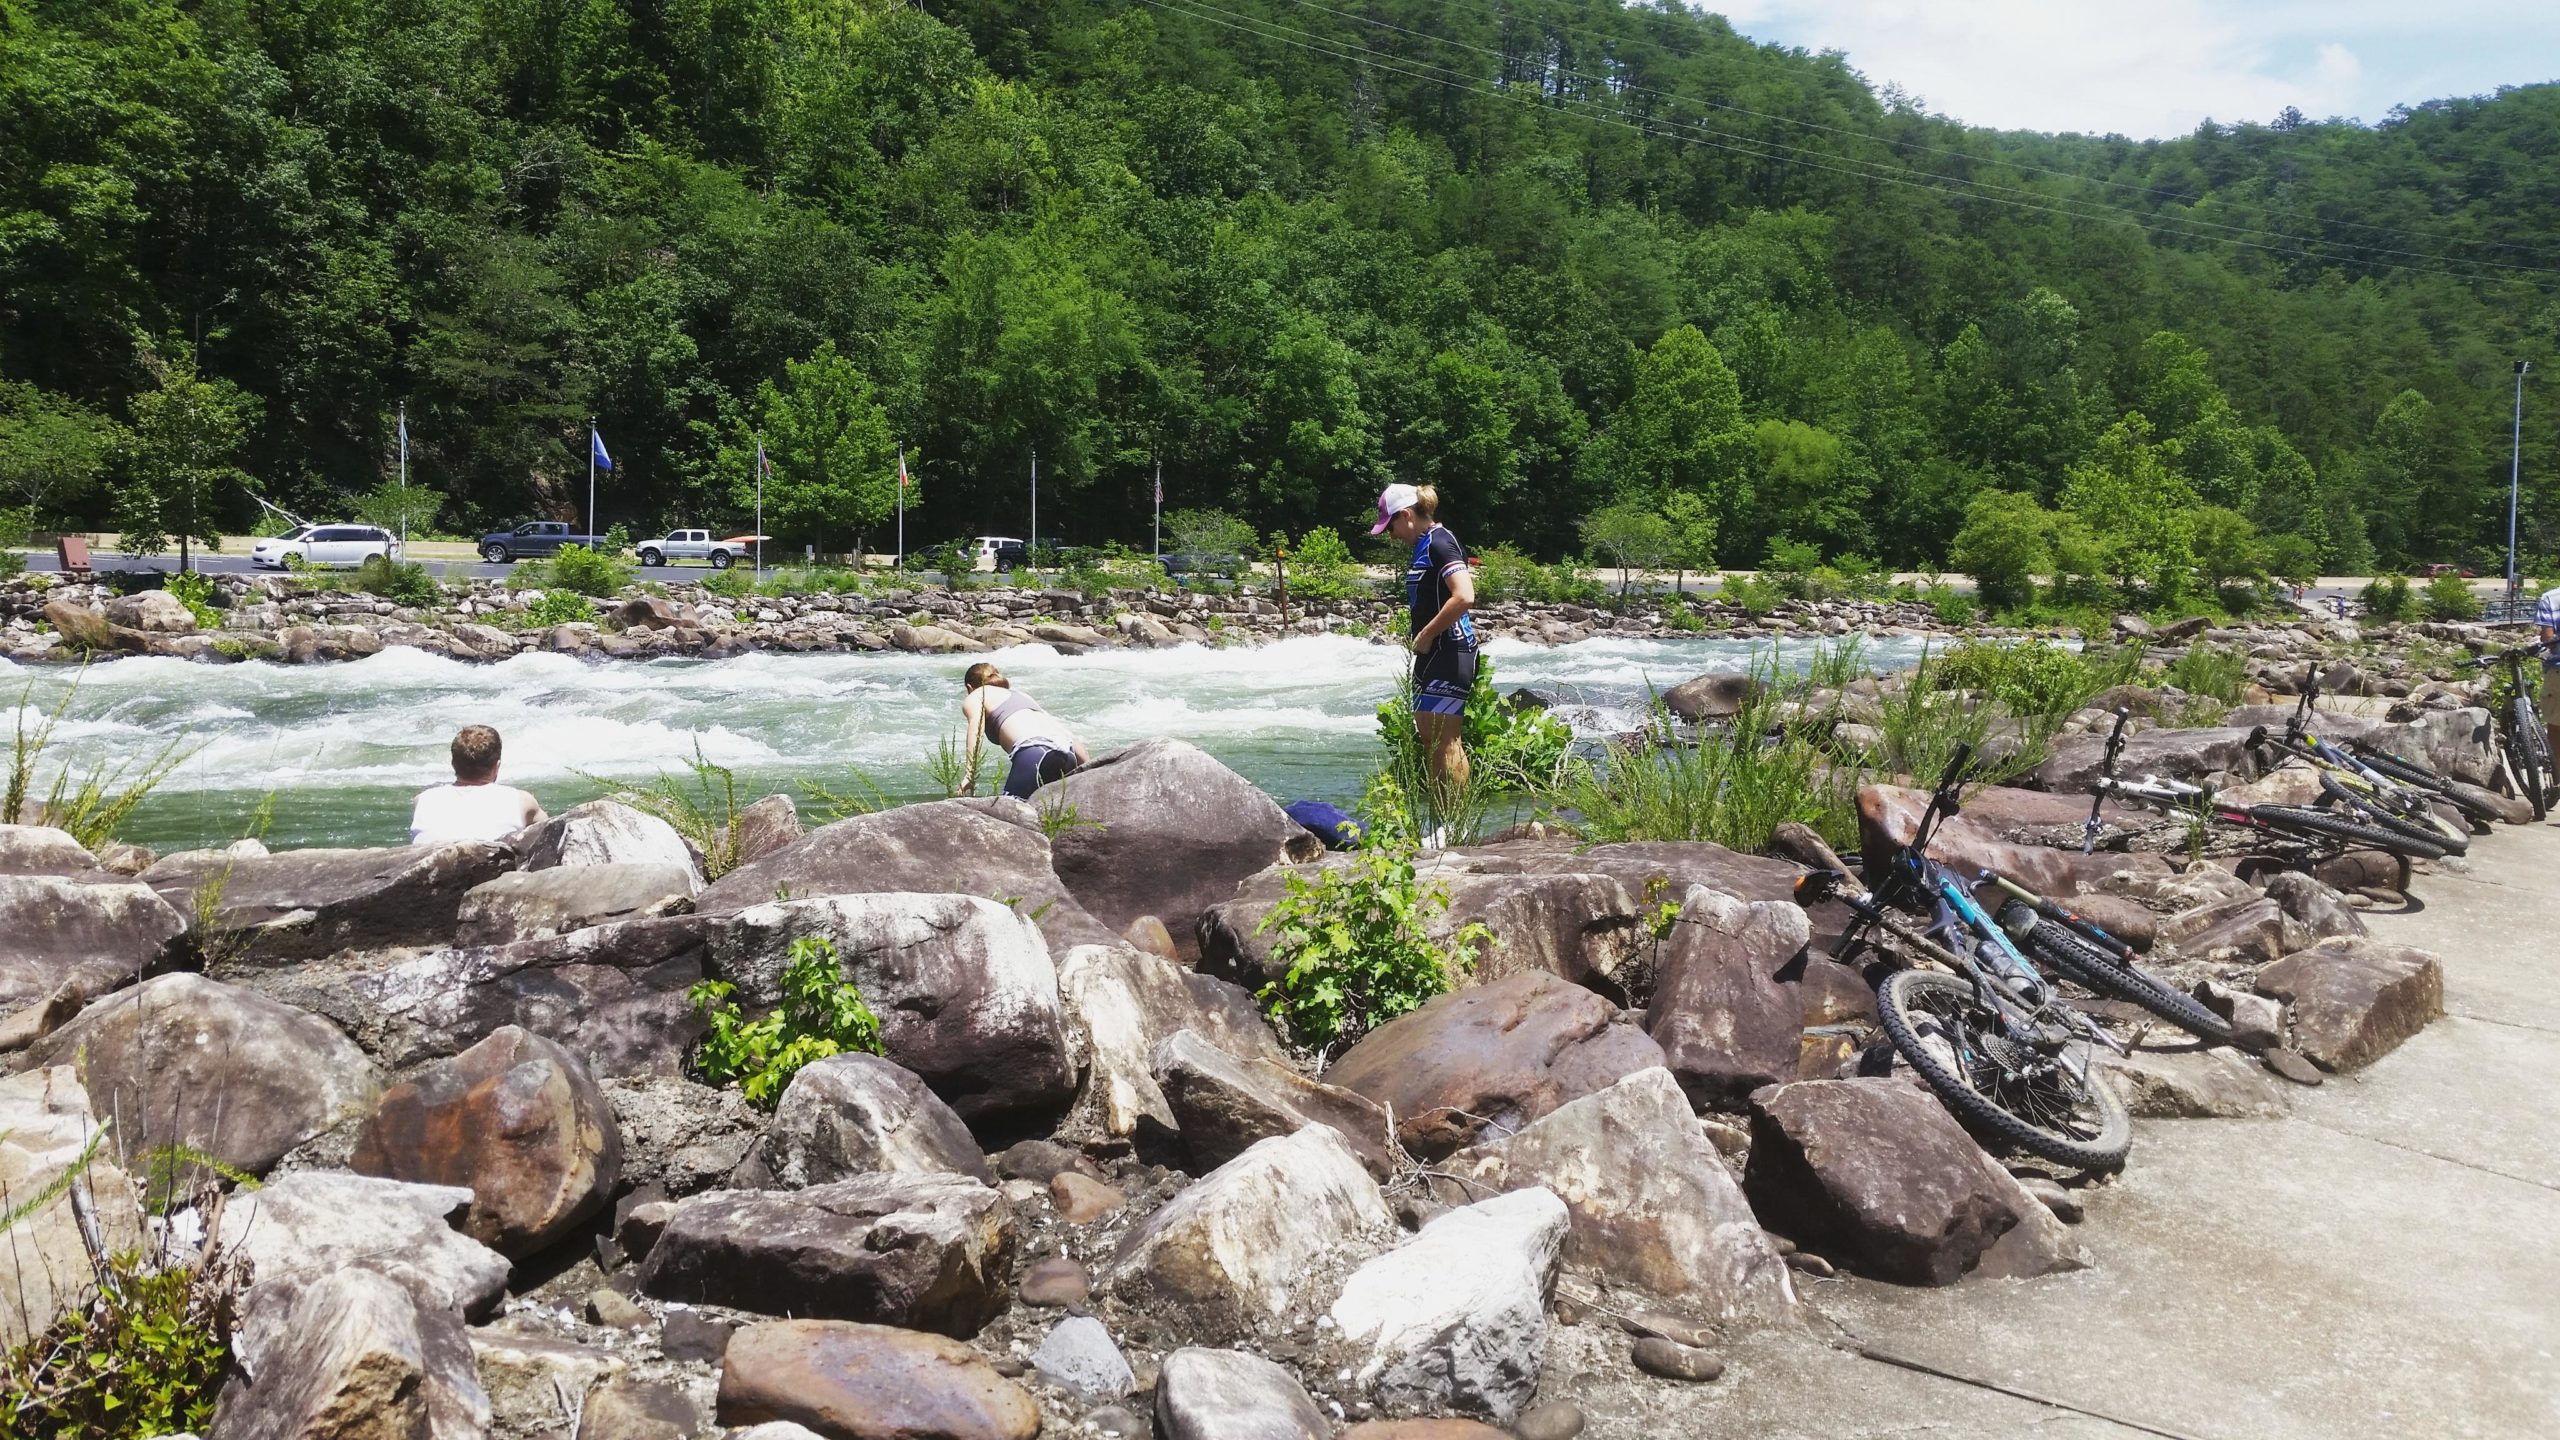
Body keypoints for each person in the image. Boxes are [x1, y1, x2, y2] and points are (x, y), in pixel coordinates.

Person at [1373, 481, 1477, 811]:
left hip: (1450, 650)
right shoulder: (1424, 546)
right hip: (1433, 654)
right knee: (1431, 741)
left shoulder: (1440, 542)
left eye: (1390, 527)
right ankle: (1441, 820)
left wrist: (1429, 633)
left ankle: (1455, 825)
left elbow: (1464, 595)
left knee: (1447, 742)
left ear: (1406, 516)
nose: (1391, 536)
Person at [959, 663, 1089, 800]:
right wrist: (1089, 771)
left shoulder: (977, 695)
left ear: (969, 688)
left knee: (1008, 815)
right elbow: (1071, 737)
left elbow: (976, 727)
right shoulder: (1022, 696)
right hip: (1068, 754)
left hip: (1034, 753)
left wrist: (969, 773)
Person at [410, 724, 546, 844]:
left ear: (453, 764)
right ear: (497, 766)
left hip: (426, 869)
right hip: (496, 871)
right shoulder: (521, 800)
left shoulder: (423, 800)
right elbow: (550, 833)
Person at [2538, 581, 2560, 784]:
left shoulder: (2550, 598)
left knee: (2555, 723)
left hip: (2558, 669)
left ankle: (2557, 776)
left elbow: (2547, 639)